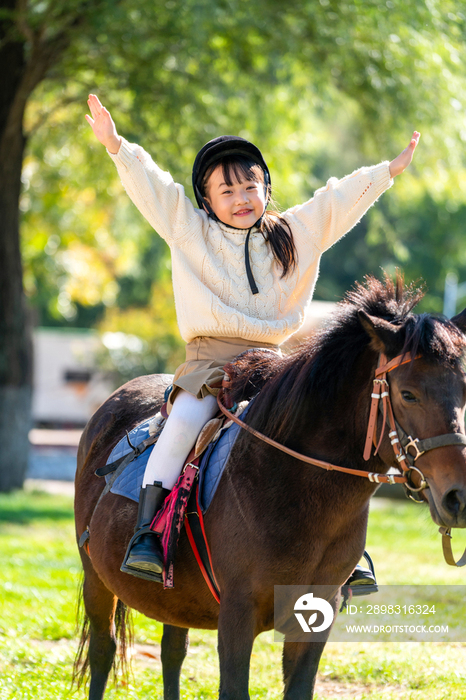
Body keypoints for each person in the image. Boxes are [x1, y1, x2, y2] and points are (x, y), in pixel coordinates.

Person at [86, 94, 420, 584]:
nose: (241, 198)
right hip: (209, 368)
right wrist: (117, 147)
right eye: (226, 191)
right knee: (181, 428)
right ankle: (149, 535)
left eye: (250, 186)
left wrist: (385, 172)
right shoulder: (189, 230)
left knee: (330, 432)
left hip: (276, 369)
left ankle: (345, 558)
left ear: (267, 187)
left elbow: (335, 201)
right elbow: (155, 189)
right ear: (206, 200)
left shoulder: (293, 234)